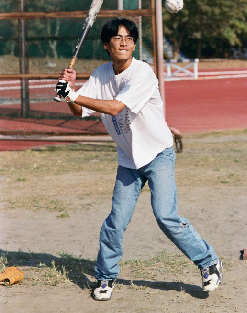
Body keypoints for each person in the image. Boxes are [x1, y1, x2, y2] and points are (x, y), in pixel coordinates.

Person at [56, 18, 222, 301]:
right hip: (129, 160)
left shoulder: (142, 73)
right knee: (115, 222)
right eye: (117, 38)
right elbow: (77, 111)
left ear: (134, 44)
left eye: (129, 38)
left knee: (165, 216)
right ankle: (105, 277)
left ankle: (208, 262)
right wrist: (70, 92)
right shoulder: (101, 74)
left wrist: (74, 94)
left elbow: (115, 106)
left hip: (158, 154)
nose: (124, 42)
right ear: (107, 45)